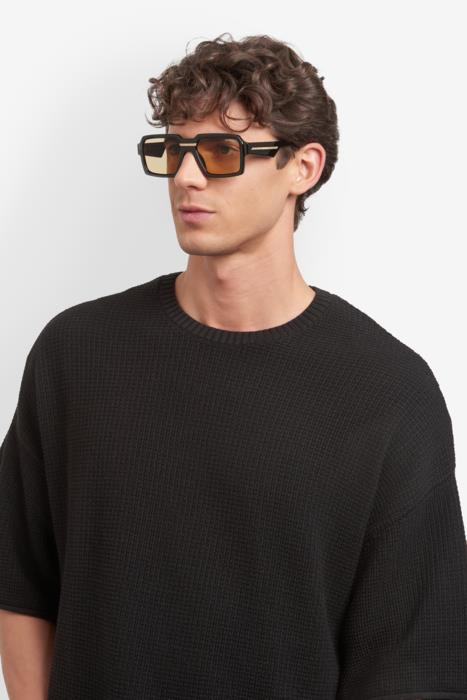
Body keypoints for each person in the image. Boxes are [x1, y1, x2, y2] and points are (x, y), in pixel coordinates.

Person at [0, 32, 466, 700]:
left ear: (303, 167)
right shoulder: (77, 355)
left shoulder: (386, 392)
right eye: (174, 151)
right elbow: (19, 580)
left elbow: (415, 662)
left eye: (221, 152)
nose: (186, 177)